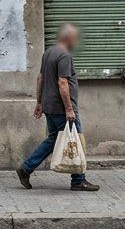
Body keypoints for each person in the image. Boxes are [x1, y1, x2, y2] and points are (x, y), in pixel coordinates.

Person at [17, 23, 99, 191]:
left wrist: (39, 102)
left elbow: (40, 78)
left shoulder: (49, 53)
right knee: (75, 140)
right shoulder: (64, 56)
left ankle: (26, 168)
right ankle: (78, 180)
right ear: (68, 38)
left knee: (53, 139)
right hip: (62, 109)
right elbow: (62, 83)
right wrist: (69, 109)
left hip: (50, 106)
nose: (76, 41)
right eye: (75, 37)